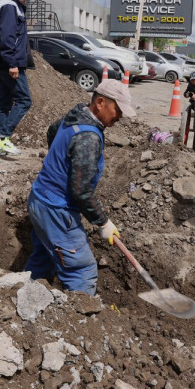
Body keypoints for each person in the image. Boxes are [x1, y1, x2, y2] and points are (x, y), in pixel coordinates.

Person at [24, 79, 137, 296]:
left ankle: (27, 296)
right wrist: (103, 222)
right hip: (57, 210)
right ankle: (83, 320)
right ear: (101, 103)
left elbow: (52, 131)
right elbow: (81, 191)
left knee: (43, 257)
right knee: (81, 269)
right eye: (118, 110)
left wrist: (59, 164)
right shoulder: (88, 138)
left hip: (39, 199)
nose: (120, 116)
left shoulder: (74, 117)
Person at [0, 0, 36, 156]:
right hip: (10, 63)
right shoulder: (10, 5)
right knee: (24, 100)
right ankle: (3, 137)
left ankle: (0, 146)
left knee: (4, 103)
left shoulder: (0, 5)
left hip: (1, 62)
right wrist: (12, 63)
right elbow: (8, 36)